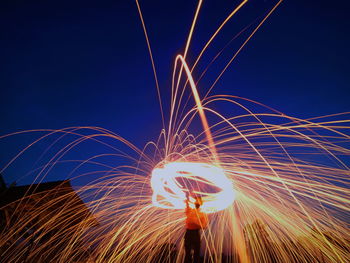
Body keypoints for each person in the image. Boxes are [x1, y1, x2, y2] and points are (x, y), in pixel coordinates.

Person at [184, 193, 208, 263]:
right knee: (187, 254)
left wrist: (196, 221)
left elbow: (204, 226)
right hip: (188, 233)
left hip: (195, 234)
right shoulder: (191, 211)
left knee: (196, 254)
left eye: (198, 201)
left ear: (201, 203)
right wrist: (187, 200)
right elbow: (187, 210)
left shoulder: (202, 214)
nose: (197, 202)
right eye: (196, 201)